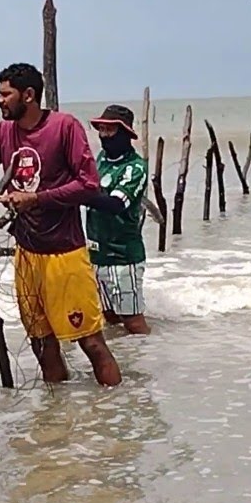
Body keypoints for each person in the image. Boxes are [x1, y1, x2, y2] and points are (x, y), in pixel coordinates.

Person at [0, 62, 122, 387]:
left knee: (91, 342)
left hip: (65, 254)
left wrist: (36, 199)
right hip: (26, 253)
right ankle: (57, 420)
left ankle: (117, 418)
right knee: (41, 344)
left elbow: (89, 184)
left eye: (5, 94)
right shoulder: (3, 132)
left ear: (29, 95)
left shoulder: (65, 127)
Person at [86, 104, 151, 335]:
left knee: (133, 321)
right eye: (101, 130)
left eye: (109, 131)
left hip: (123, 258)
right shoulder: (101, 158)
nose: (103, 136)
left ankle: (148, 361)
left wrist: (75, 194)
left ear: (125, 133)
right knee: (109, 317)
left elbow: (115, 204)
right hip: (96, 254)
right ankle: (125, 360)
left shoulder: (135, 168)